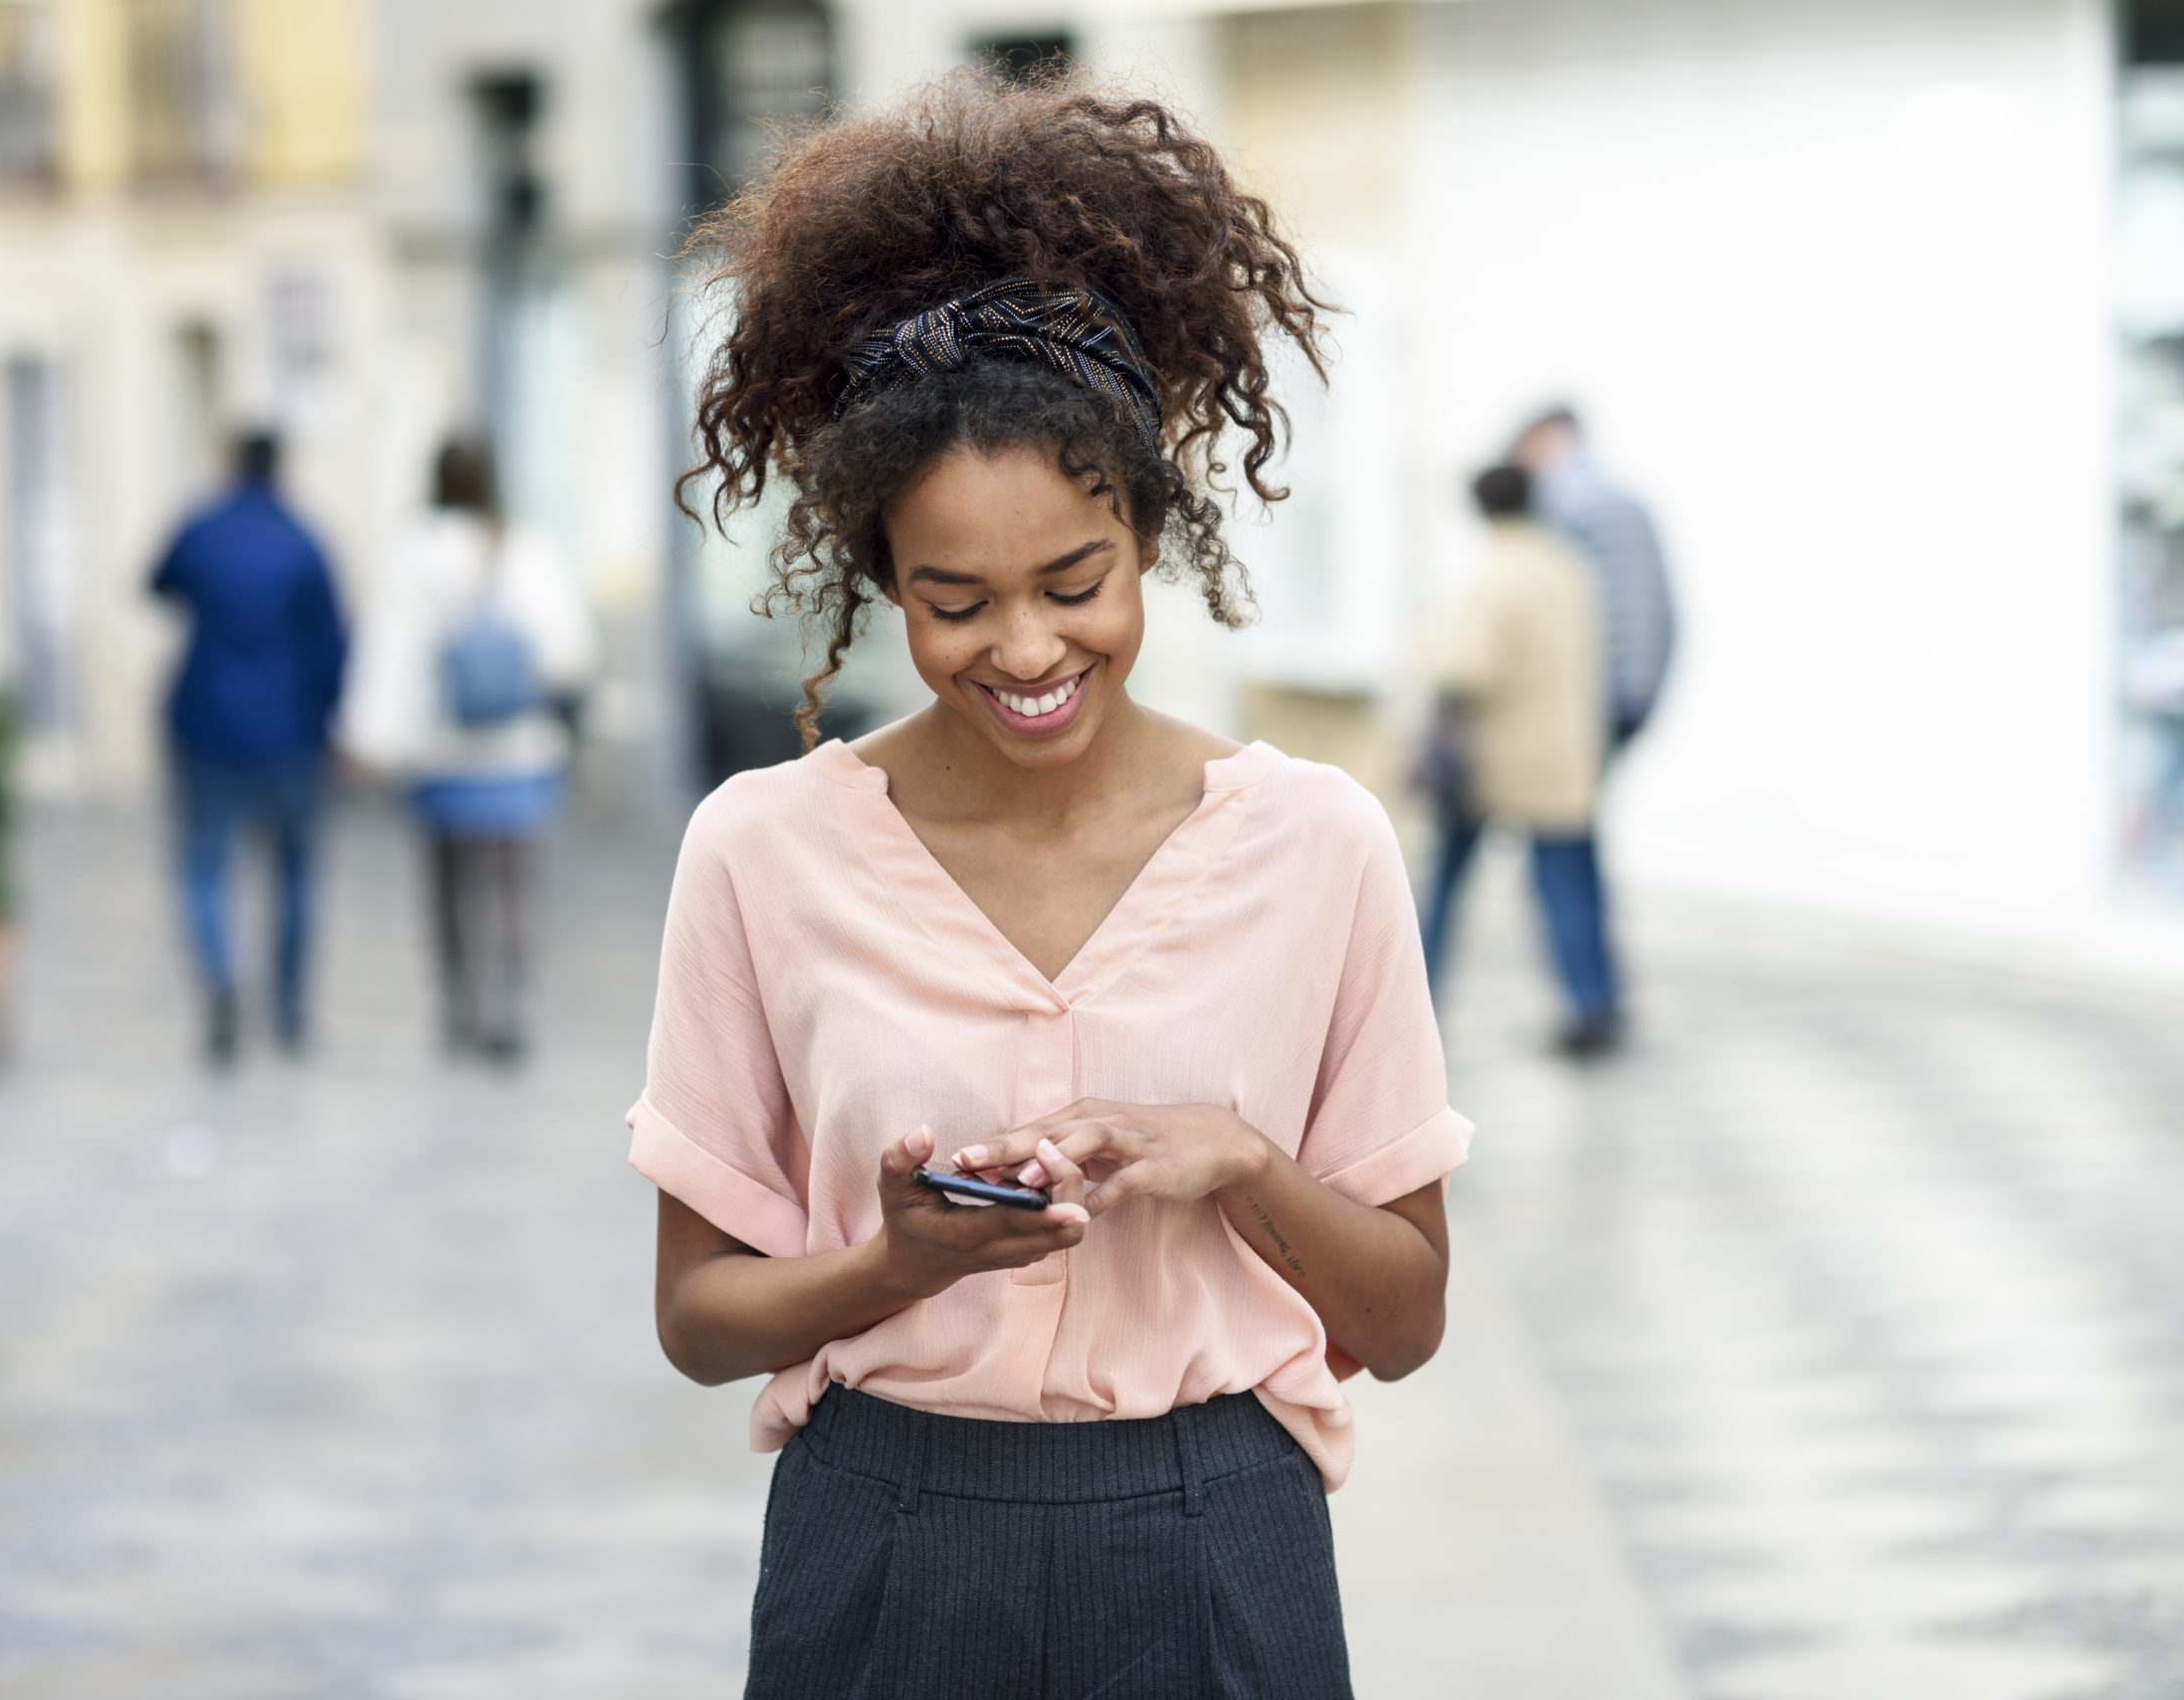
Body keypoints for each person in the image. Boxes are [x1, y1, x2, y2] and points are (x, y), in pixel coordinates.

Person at [635, 75, 1472, 1699]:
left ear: (1147, 532)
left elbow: (1414, 1310)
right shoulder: (759, 848)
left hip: (1220, 1526)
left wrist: (1244, 1164)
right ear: (881, 578)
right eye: (955, 601)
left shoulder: (1318, 843)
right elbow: (695, 1313)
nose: (1024, 650)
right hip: (882, 1532)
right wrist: (896, 1261)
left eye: (1073, 583)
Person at [340, 437, 594, 1062]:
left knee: (447, 883)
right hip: (517, 750)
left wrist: (366, 739)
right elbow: (566, 652)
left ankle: (457, 1003)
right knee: (512, 883)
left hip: (440, 752)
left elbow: (389, 652)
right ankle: (509, 1005)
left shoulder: (412, 551)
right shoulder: (525, 546)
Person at [149, 430, 348, 1064]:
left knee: (205, 866)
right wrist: (328, 721)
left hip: (207, 727)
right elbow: (335, 644)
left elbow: (156, 583)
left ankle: (221, 980)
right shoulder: (303, 541)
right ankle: (287, 1012)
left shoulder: (203, 529)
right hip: (290, 733)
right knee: (293, 873)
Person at [1413, 465, 1617, 1055]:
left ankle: (1412, 1005)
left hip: (1496, 761)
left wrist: (1425, 647)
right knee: (1570, 888)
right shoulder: (1569, 566)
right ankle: (1592, 1006)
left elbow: (1472, 667)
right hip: (1568, 755)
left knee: (1446, 883)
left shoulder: (1497, 573)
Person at [1510, 406, 1676, 751]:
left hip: (1598, 698)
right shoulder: (1619, 502)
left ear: (1544, 439)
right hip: (1629, 692)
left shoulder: (1568, 506)